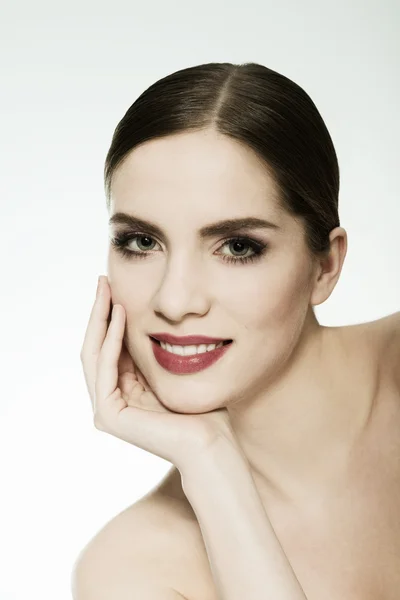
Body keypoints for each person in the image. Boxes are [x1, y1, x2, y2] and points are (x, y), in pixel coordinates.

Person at [73, 62, 400, 599]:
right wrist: (211, 462)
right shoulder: (128, 570)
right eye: (140, 242)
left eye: (238, 247)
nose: (174, 301)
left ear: (326, 266)